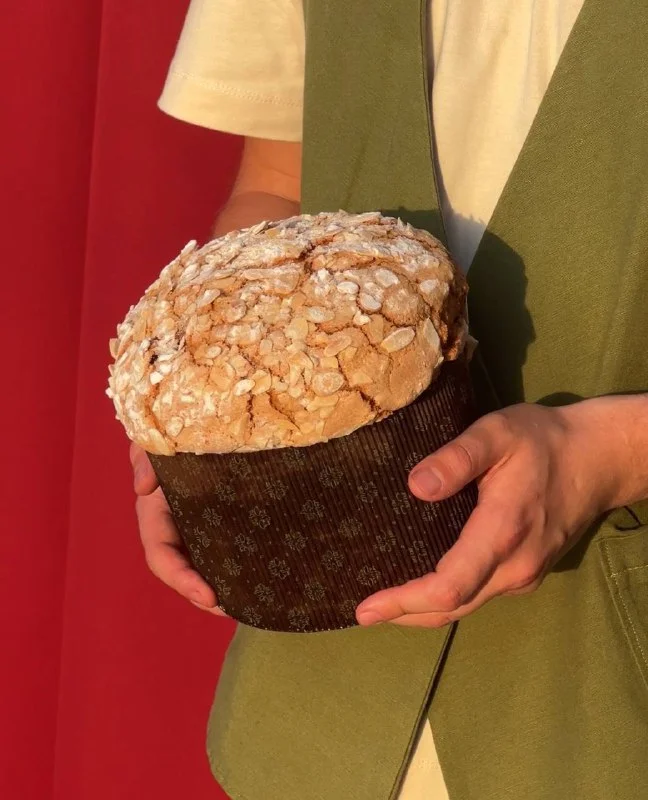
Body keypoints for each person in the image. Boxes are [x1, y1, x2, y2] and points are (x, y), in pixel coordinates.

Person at [130, 1, 648, 798]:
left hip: (606, 700)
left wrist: (617, 452)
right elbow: (276, 185)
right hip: (321, 717)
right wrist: (209, 391)